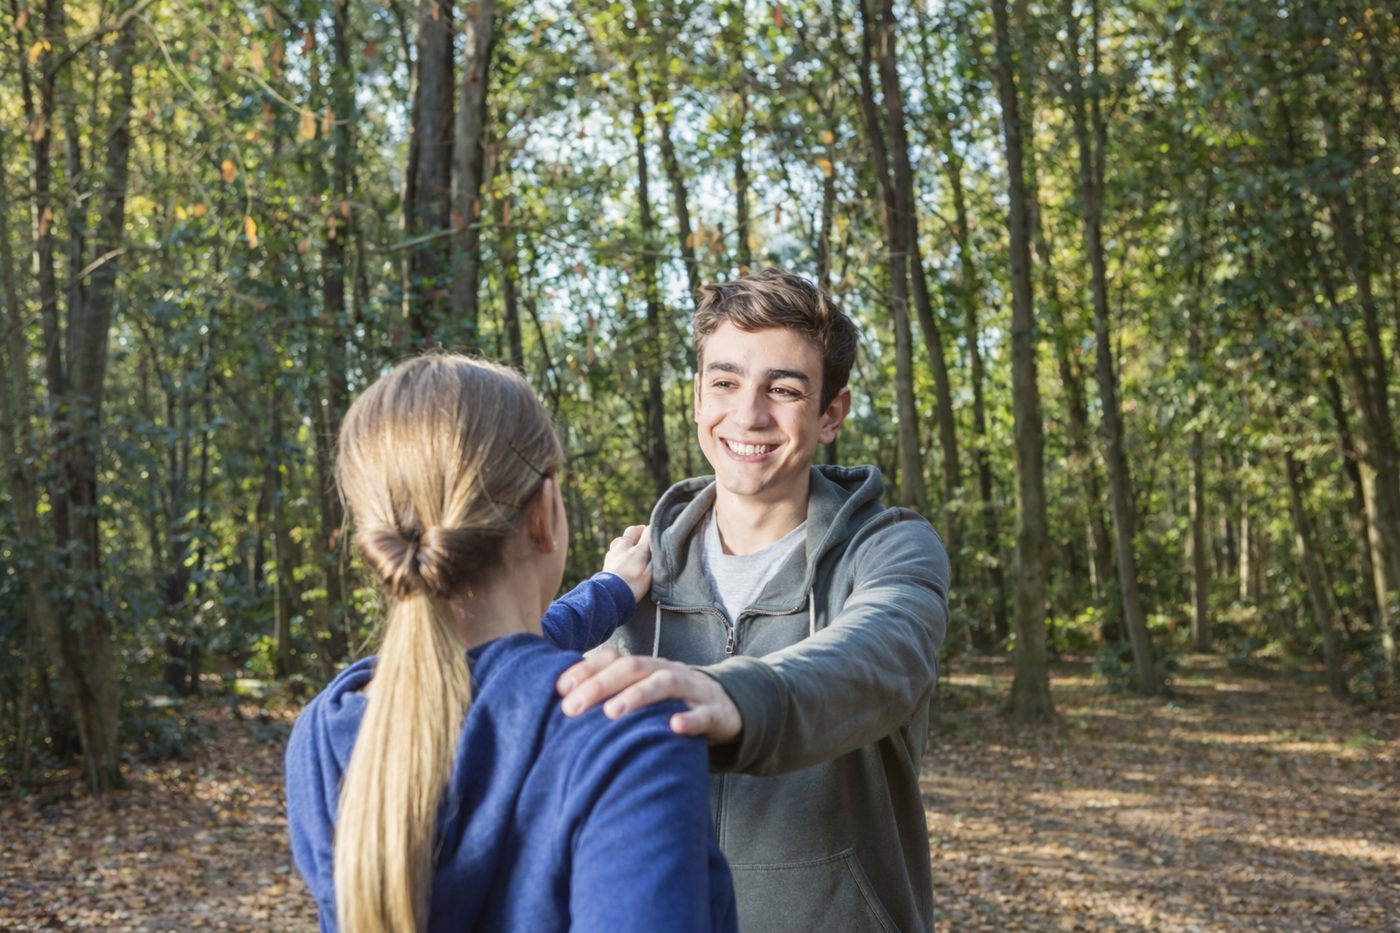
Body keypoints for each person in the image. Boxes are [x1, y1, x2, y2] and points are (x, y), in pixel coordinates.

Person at [284, 354, 736, 933]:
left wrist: (612, 589)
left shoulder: (326, 733)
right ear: (543, 512)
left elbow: (488, 664)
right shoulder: (626, 733)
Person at [556, 269, 950, 932]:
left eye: (785, 388)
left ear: (831, 413)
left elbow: (883, 653)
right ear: (697, 394)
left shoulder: (889, 548)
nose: (748, 414)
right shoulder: (633, 576)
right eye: (725, 381)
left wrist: (734, 698)